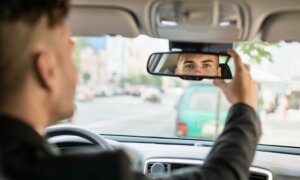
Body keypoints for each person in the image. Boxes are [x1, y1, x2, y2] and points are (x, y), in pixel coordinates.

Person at [0, 0, 260, 180]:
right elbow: (222, 175)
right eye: (70, 53)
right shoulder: (86, 173)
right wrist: (245, 106)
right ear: (48, 70)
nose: (76, 72)